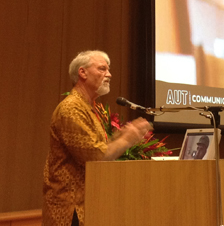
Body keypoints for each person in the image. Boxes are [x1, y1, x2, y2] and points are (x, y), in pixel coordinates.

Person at [43, 50, 152, 226]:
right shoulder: (71, 108)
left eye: (108, 69)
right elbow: (94, 156)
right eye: (102, 69)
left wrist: (121, 136)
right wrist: (126, 139)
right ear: (82, 72)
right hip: (70, 211)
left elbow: (94, 148)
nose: (109, 74)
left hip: (86, 206)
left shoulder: (87, 108)